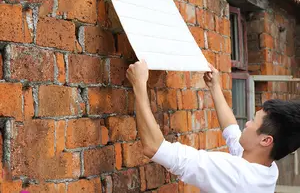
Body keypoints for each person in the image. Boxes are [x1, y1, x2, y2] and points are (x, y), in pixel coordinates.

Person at [126, 60, 300, 193]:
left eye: (253, 121)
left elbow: (154, 147)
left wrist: (139, 84)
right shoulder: (267, 169)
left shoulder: (235, 175)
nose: (247, 123)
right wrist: (214, 87)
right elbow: (232, 132)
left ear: (265, 140)